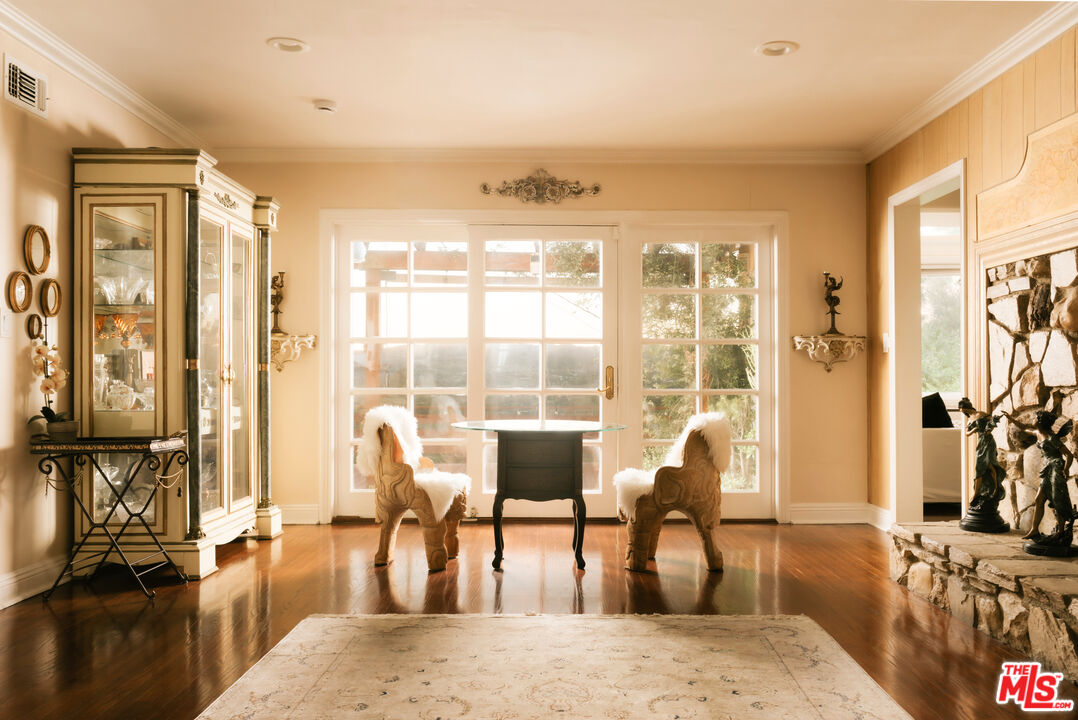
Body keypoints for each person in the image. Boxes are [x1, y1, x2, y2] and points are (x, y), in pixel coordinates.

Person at [1023, 410, 1076, 542]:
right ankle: (1034, 530)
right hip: (1047, 468)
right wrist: (1010, 419)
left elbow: (1069, 455)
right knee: (1039, 499)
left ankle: (1061, 530)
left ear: (1041, 421)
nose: (1033, 419)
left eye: (1035, 417)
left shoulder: (1052, 438)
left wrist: (1065, 469)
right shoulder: (1037, 433)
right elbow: (1024, 428)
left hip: (1056, 468)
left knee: (1057, 499)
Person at [957, 398, 1006, 512]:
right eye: (962, 411)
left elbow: (992, 422)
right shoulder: (970, 420)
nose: (964, 412)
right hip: (981, 443)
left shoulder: (980, 414)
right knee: (979, 467)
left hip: (988, 441)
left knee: (989, 464)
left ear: (967, 407)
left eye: (964, 409)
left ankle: (994, 489)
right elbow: (966, 433)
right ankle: (977, 492)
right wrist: (974, 429)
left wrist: (989, 429)